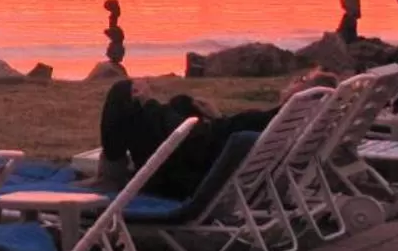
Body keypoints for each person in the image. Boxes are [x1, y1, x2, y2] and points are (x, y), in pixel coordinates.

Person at [98, 78, 278, 200]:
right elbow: (206, 139)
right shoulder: (282, 123)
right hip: (196, 171)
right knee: (181, 102)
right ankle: (112, 169)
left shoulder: (256, 124)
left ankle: (111, 173)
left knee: (124, 95)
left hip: (178, 181)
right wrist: (217, 118)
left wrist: (148, 103)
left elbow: (195, 142)